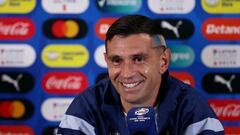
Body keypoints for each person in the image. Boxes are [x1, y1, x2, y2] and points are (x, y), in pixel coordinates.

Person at [57, 15, 224, 135]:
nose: (127, 73)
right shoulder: (86, 108)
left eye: (138, 59)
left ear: (163, 61)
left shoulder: (192, 109)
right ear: (107, 62)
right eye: (116, 60)